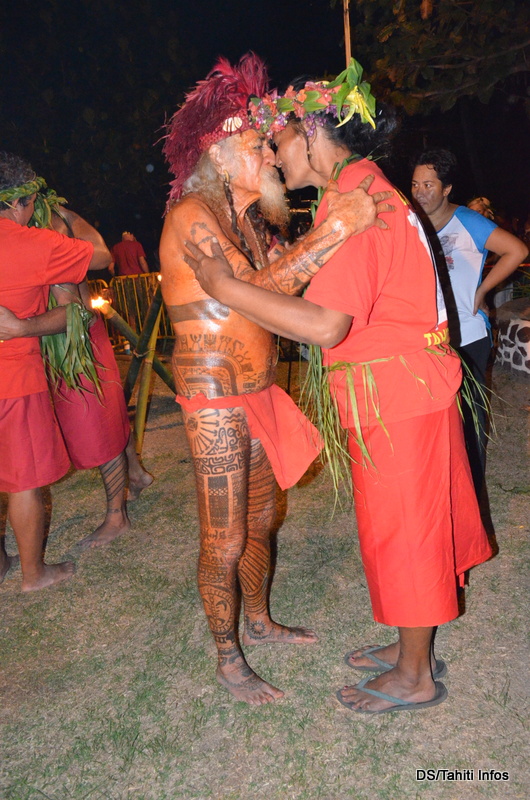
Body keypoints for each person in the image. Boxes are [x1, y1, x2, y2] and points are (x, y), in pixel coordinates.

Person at [184, 59, 494, 715]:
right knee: (396, 530)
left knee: (407, 536)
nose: (273, 147)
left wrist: (225, 288)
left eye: (282, 134)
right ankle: (410, 646)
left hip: (398, 396)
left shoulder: (356, 204)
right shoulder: (361, 192)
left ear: (315, 135)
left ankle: (416, 675)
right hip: (402, 389)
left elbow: (326, 325)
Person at [158, 53, 394, 705]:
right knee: (226, 534)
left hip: (258, 389)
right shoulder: (194, 217)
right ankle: (227, 657)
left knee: (263, 516)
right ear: (220, 154)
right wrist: (336, 231)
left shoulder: (249, 223)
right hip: (213, 397)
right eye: (258, 145)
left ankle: (258, 622)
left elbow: (274, 298)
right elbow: (248, 294)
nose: (269, 155)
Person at [0, 204, 154, 548]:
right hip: (53, 346)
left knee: (98, 423)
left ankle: (117, 515)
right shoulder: (35, 230)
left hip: (76, 344)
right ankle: (137, 473)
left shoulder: (46, 232)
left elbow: (76, 311)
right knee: (108, 414)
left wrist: (67, 217)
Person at [0, 153, 108, 591]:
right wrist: (70, 217)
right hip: (12, 380)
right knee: (22, 480)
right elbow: (100, 255)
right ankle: (33, 574)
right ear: (22, 202)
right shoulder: (33, 244)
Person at [411, 149, 528, 494]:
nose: (420, 192)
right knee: (429, 413)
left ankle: (470, 487)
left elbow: (517, 251)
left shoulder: (467, 221)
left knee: (468, 413)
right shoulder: (410, 223)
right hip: (422, 335)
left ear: (446, 188)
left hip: (465, 333)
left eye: (429, 184)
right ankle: (436, 480)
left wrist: (483, 291)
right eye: (416, 184)